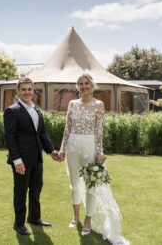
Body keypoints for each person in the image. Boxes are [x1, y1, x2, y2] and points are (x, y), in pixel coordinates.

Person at [59, 74, 129, 244]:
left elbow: (99, 131)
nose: (84, 86)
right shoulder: (72, 104)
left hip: (90, 146)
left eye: (86, 83)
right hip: (73, 146)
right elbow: (67, 128)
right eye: (81, 84)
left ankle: (88, 219)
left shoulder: (99, 105)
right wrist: (62, 149)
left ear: (92, 85)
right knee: (74, 183)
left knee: (91, 185)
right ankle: (75, 217)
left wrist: (99, 152)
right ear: (78, 86)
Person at [4, 77, 60, 236]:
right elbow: (10, 138)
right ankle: (19, 224)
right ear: (18, 91)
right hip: (21, 160)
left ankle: (34, 218)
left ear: (33, 90)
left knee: (36, 189)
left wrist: (51, 151)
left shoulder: (36, 109)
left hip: (36, 158)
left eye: (30, 89)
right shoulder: (12, 111)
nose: (27, 92)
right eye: (24, 89)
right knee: (20, 192)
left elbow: (42, 133)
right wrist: (17, 161)